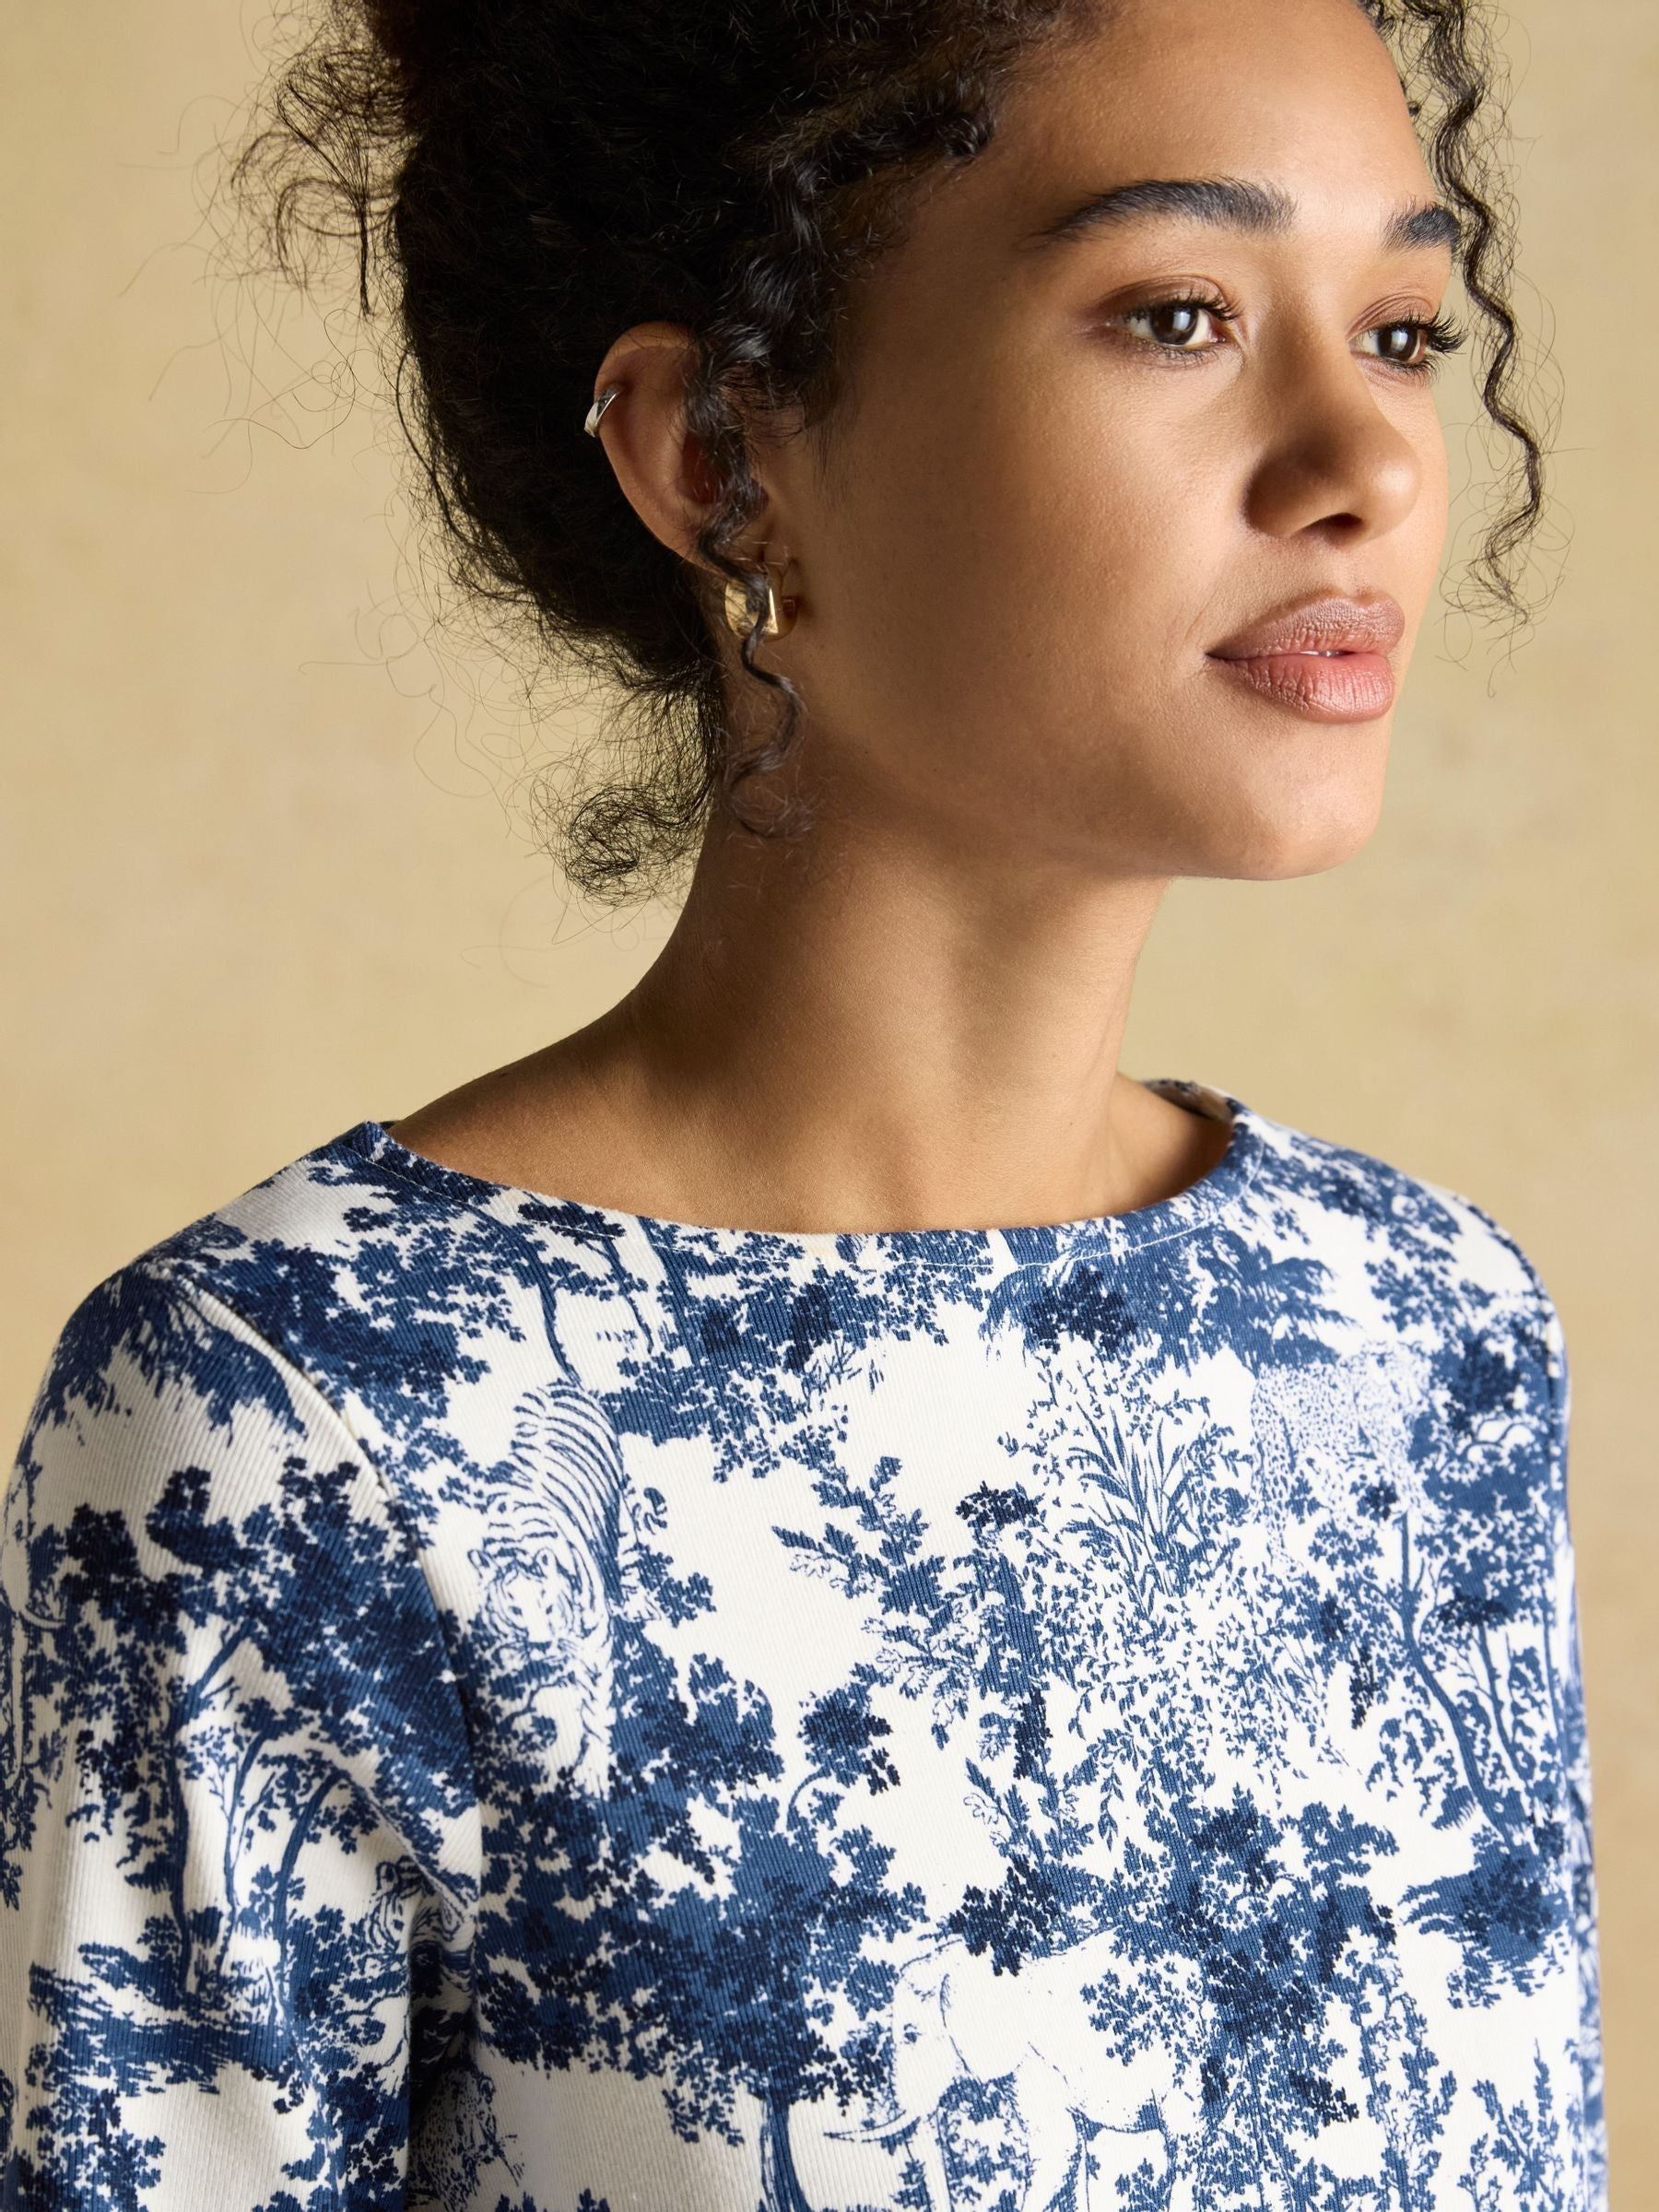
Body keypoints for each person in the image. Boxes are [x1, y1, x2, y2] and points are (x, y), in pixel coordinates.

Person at [1, 0, 1606, 2204]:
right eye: (1179, 314)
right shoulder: (294, 1414)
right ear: (718, 459)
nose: (1371, 462)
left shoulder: (1426, 1329)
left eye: (1406, 332)